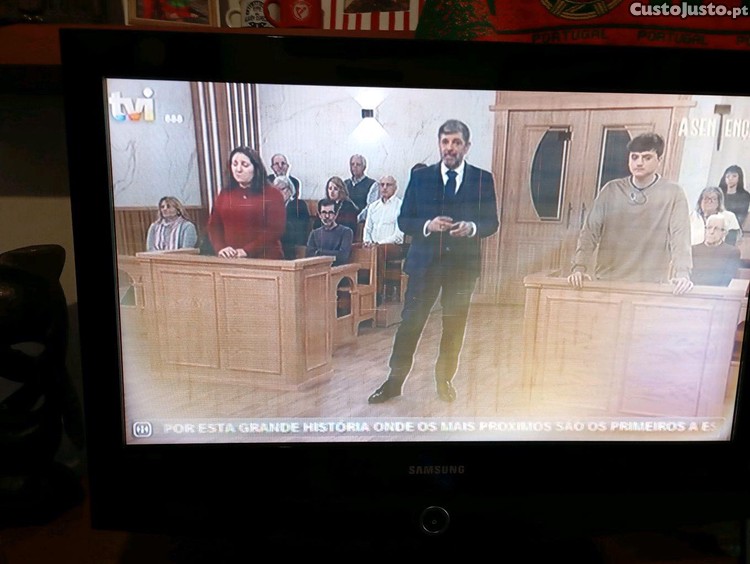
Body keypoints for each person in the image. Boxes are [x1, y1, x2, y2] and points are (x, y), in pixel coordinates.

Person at [368, 119, 499, 404]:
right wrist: (428, 225)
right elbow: (405, 221)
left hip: (462, 268)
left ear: (466, 146)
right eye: (445, 142)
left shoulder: (482, 179)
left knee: (453, 326)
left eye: (456, 142)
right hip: (424, 266)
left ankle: (444, 380)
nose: (450, 148)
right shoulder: (421, 178)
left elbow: (492, 223)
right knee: (410, 324)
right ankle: (394, 382)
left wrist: (472, 228)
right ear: (439, 144)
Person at [567, 132, 693, 296]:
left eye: (647, 157)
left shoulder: (673, 193)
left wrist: (682, 274)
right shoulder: (611, 190)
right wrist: (579, 267)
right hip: (608, 281)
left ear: (659, 160)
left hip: (650, 285)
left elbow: (680, 237)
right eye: (634, 157)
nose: (639, 163)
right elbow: (590, 232)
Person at [207, 146, 285, 259]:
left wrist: (247, 251)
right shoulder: (225, 193)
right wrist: (221, 248)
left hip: (266, 259)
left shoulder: (272, 194)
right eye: (234, 164)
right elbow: (214, 225)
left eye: (245, 165)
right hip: (231, 259)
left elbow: (274, 230)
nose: (238, 169)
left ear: (256, 168)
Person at [362, 175, 405, 302]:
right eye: (382, 185)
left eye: (388, 185)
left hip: (394, 247)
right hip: (373, 246)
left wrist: (378, 244)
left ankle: (377, 293)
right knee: (357, 249)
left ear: (395, 188)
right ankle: (363, 292)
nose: (385, 188)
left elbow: (398, 235)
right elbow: (367, 229)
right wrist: (367, 242)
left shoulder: (401, 206)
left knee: (378, 251)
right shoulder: (373, 206)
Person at [691, 212, 741, 286]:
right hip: (694, 290)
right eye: (709, 227)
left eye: (716, 229)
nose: (711, 232)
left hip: (718, 291)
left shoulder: (732, 252)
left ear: (724, 233)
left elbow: (727, 279)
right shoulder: (693, 250)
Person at [305, 198, 353, 266]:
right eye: (324, 212)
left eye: (330, 213)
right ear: (319, 215)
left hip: (337, 270)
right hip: (317, 269)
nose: (327, 216)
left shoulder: (346, 232)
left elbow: (342, 257)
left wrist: (319, 252)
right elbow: (309, 256)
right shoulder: (314, 234)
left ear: (336, 214)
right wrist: (332, 253)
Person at [274, 175, 310, 260]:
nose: (279, 193)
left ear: (290, 190)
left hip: (293, 244)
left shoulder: (298, 204)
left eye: (282, 189)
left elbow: (300, 227)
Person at [345, 154, 379, 222]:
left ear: (364, 167)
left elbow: (371, 207)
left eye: (358, 164)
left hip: (362, 222)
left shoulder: (372, 184)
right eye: (352, 164)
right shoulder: (345, 184)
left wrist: (357, 219)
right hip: (344, 221)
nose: (355, 166)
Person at [719, 164, 750, 230]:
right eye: (728, 176)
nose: (730, 179)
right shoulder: (719, 194)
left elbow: (741, 216)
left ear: (739, 178)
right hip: (717, 225)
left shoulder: (745, 196)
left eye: (734, 176)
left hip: (734, 227)